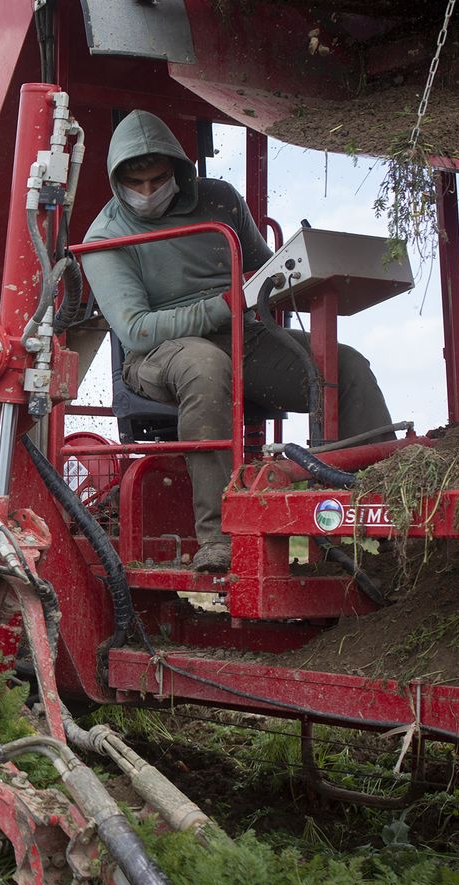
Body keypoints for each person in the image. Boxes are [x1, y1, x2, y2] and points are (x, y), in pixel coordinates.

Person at [80, 111, 394, 572]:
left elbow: (266, 271)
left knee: (345, 366)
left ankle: (376, 514)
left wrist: (304, 268)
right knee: (206, 366)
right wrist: (224, 304)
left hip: (244, 337)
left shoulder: (220, 200)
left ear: (178, 170)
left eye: (158, 179)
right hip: (157, 355)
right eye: (135, 183)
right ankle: (219, 537)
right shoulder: (106, 236)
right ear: (116, 181)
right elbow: (136, 329)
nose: (147, 192)